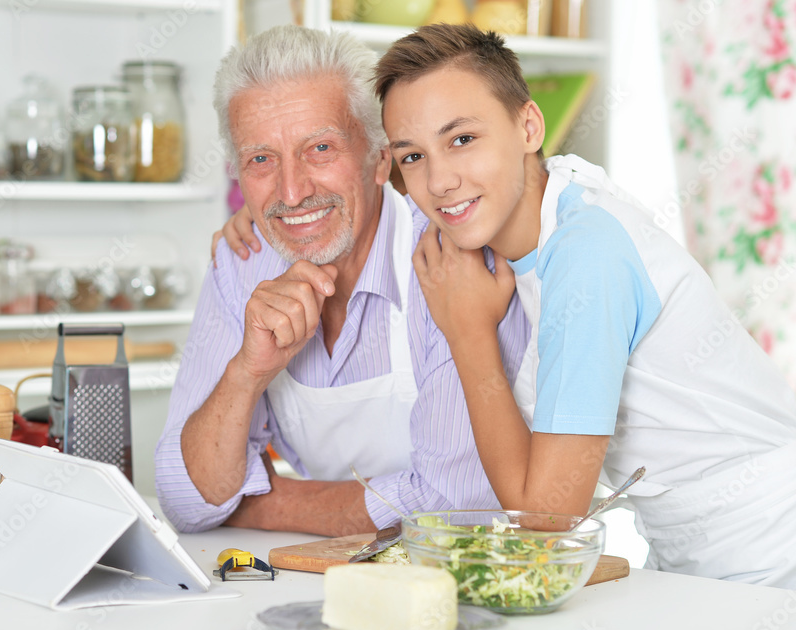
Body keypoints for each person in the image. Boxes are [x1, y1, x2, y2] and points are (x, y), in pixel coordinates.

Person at [372, 23, 796, 587]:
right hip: (691, 560)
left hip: (772, 554)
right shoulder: (519, 232)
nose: (440, 180)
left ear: (528, 126)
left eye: (462, 139)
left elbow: (547, 522)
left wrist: (469, 335)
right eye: (412, 157)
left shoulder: (584, 251)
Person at [153, 25, 530, 536]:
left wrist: (259, 505)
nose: (291, 191)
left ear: (379, 159)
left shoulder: (451, 261)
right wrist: (246, 372)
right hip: (330, 582)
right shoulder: (243, 262)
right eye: (261, 159)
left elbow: (456, 502)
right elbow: (185, 498)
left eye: (321, 148)